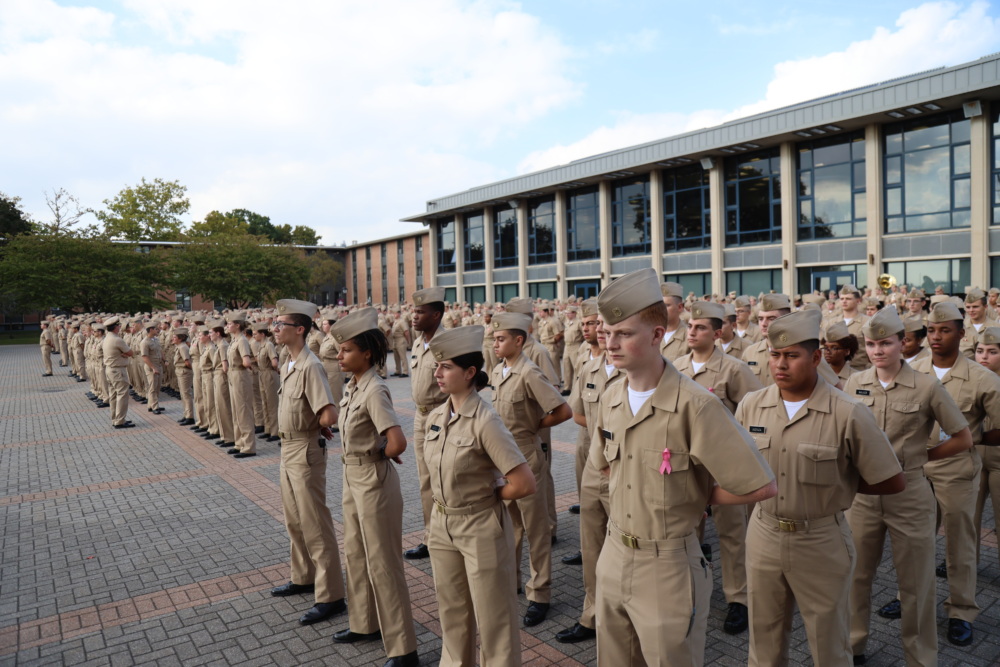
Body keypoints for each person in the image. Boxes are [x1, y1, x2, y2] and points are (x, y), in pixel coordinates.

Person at [591, 268, 776, 666]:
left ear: (657, 336)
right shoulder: (610, 397)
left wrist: (695, 495)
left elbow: (759, 485)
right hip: (613, 553)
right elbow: (604, 468)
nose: (610, 342)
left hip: (667, 565)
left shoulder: (697, 404)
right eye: (607, 332)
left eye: (623, 333)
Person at [736, 309, 904, 666]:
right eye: (774, 354)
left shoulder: (849, 412)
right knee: (763, 639)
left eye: (791, 355)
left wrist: (837, 487)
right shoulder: (752, 405)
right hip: (763, 533)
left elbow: (890, 479)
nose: (780, 364)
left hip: (820, 539)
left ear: (815, 358)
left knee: (829, 643)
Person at [844, 306, 973, 666]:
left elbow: (962, 437)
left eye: (885, 343)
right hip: (864, 496)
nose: (877, 351)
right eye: (870, 344)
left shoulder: (927, 385)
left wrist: (921, 458)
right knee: (856, 577)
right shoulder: (856, 383)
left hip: (910, 494)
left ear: (904, 342)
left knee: (916, 584)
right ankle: (853, 647)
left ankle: (920, 657)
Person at [423, 325, 536, 666]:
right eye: (436, 366)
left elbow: (524, 482)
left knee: (494, 618)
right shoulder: (436, 415)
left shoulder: (485, 420)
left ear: (470, 372)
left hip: (479, 525)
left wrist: (492, 493)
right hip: (442, 525)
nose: (437, 372)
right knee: (453, 613)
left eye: (446, 367)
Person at [329, 308, 418, 667]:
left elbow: (397, 442)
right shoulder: (354, 386)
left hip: (373, 481)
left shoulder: (375, 389)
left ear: (366, 352)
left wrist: (381, 451)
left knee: (383, 563)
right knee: (355, 553)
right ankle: (364, 624)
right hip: (353, 478)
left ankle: (403, 649)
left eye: (346, 350)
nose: (339, 356)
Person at [911, 302, 1000, 647]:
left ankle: (961, 610)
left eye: (945, 330)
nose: (936, 336)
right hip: (918, 472)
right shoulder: (913, 370)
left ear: (962, 334)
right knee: (915, 542)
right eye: (931, 330)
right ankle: (913, 601)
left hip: (957, 470)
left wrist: (972, 437)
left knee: (960, 545)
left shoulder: (982, 378)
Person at [673, 300, 763, 635]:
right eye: (690, 327)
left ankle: (738, 598)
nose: (692, 332)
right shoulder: (677, 367)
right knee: (688, 530)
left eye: (700, 327)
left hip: (725, 466)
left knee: (732, 534)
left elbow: (757, 411)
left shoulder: (734, 369)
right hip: (688, 464)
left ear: (718, 332)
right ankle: (690, 593)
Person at [268, 298, 348, 626]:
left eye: (280, 325)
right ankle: (303, 576)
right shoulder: (289, 364)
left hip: (304, 450)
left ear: (299, 330)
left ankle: (331, 595)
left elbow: (328, 410)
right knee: (294, 519)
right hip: (288, 449)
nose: (274, 329)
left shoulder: (311, 365)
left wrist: (321, 424)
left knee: (315, 522)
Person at [491, 311, 573, 627]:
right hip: (503, 459)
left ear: (519, 340)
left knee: (536, 531)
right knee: (510, 527)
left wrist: (534, 427)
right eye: (495, 338)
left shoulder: (529, 373)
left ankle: (540, 593)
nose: (495, 343)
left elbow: (562, 410)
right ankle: (512, 582)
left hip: (526, 456)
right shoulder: (499, 371)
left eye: (501, 339)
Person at [556, 300, 621, 645]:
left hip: (625, 472)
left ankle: (624, 617)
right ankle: (592, 615)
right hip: (596, 467)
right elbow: (577, 412)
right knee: (592, 546)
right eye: (602, 331)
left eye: (613, 331)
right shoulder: (590, 368)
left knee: (627, 549)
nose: (605, 337)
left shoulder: (638, 375)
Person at [405, 287, 450, 561]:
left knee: (443, 477)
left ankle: (446, 535)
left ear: (436, 314)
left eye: (420, 312)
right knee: (426, 481)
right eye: (414, 311)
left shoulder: (447, 342)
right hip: (421, 416)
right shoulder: (419, 342)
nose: (415, 316)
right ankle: (430, 536)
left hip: (441, 414)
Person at [974, 327, 1000, 564]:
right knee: (969, 516)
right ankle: (967, 561)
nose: (984, 356)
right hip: (973, 458)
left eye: (992, 351)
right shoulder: (970, 380)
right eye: (980, 350)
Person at [225, 312, 257, 458]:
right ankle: (239, 443)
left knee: (243, 410)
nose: (227, 326)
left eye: (230, 324)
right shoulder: (234, 340)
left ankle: (248, 446)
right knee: (236, 410)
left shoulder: (242, 340)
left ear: (237, 325)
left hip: (240, 375)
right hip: (233, 375)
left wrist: (247, 365)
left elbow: (247, 361)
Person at [102, 317, 135, 429]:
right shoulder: (117, 339)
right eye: (119, 325)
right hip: (117, 370)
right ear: (116, 327)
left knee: (113, 395)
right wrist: (124, 354)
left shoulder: (107, 337)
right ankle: (120, 420)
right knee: (122, 394)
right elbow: (130, 352)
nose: (120, 327)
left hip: (110, 369)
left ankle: (115, 418)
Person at [252, 322, 280, 443]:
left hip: (269, 374)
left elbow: (274, 362)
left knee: (272, 404)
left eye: (255, 334)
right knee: (265, 403)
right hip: (262, 374)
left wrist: (274, 372)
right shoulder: (260, 345)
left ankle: (275, 431)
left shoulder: (269, 345)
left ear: (262, 334)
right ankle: (268, 429)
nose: (253, 336)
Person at [140, 320, 164, 415]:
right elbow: (145, 357)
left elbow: (160, 351)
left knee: (157, 387)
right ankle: (154, 406)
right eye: (156, 329)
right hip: (152, 366)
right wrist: (153, 367)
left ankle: (152, 404)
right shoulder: (144, 342)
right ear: (150, 330)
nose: (157, 330)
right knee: (152, 387)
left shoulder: (156, 339)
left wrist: (164, 360)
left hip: (159, 365)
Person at [172, 328, 195, 426]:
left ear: (180, 338)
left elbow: (187, 362)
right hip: (180, 371)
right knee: (183, 394)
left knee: (186, 394)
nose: (172, 339)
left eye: (174, 337)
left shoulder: (183, 347)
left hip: (184, 372)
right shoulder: (179, 346)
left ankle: (190, 417)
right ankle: (186, 414)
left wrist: (190, 370)